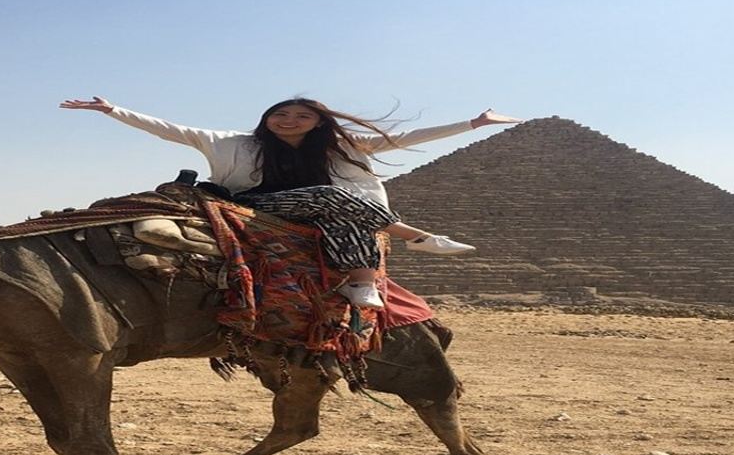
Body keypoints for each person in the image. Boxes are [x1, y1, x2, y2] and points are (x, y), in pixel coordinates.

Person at [60, 96, 521, 307]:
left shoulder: (343, 146)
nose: (289, 120)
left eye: (301, 115)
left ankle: (362, 285)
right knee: (331, 196)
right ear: (267, 117)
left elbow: (402, 138)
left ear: (316, 122)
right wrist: (113, 111)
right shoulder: (228, 141)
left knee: (341, 208)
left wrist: (472, 124)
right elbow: (170, 128)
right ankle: (417, 237)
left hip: (329, 206)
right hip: (255, 206)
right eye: (280, 113)